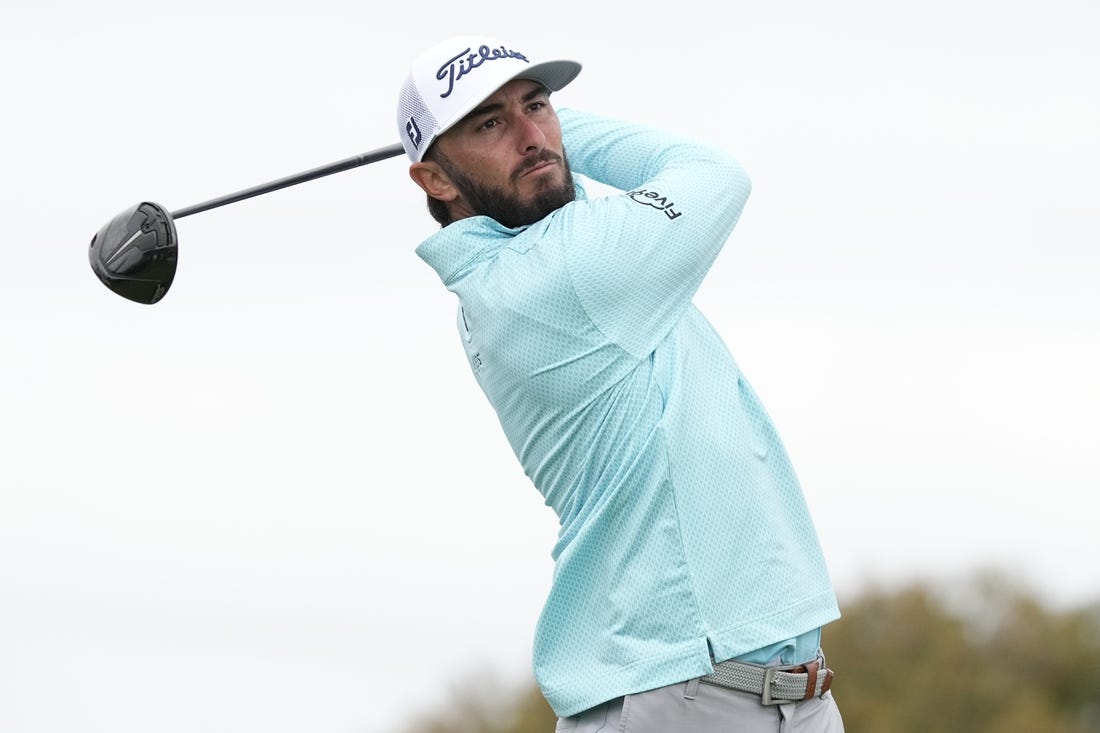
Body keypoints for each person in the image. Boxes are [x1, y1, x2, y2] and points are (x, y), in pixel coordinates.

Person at [396, 35, 845, 732]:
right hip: (683, 699)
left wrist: (521, 135)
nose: (529, 135)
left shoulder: (535, 272)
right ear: (437, 181)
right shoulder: (561, 273)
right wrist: (558, 132)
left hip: (774, 694)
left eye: (538, 105)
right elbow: (713, 173)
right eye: (490, 122)